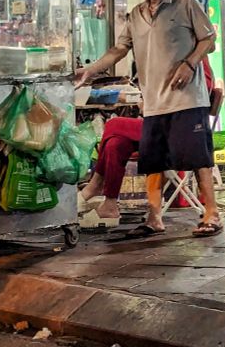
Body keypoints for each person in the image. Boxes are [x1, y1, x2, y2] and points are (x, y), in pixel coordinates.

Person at [76, 0, 222, 238]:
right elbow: (119, 49)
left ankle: (212, 213)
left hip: (187, 99)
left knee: (199, 157)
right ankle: (154, 217)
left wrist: (189, 63)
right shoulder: (136, 14)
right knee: (154, 160)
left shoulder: (184, 3)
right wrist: (90, 70)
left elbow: (210, 39)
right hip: (154, 102)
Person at [77, 57, 215, 230]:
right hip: (156, 126)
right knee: (115, 143)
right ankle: (110, 204)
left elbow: (202, 91)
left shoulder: (194, 59)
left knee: (113, 125)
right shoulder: (158, 54)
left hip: (178, 129)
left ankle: (95, 185)